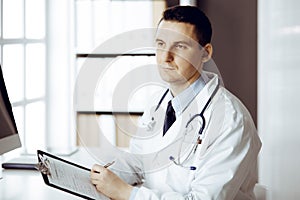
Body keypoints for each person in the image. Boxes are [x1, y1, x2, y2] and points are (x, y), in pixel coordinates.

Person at [90, 5, 261, 200]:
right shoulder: (158, 103)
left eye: (180, 46)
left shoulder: (231, 120)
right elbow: (140, 163)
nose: (165, 57)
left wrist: (126, 193)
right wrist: (103, 177)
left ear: (206, 53)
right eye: (161, 44)